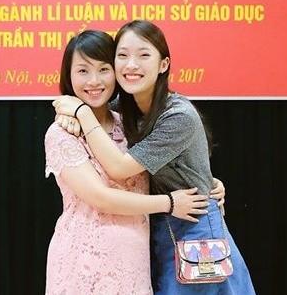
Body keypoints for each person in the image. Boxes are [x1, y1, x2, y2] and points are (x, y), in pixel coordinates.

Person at [53, 21, 255, 294]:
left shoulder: (178, 115)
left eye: (143, 55)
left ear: (163, 64)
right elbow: (89, 103)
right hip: (155, 226)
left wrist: (80, 112)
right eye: (122, 55)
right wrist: (68, 110)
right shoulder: (125, 109)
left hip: (192, 223)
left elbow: (119, 168)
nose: (131, 65)